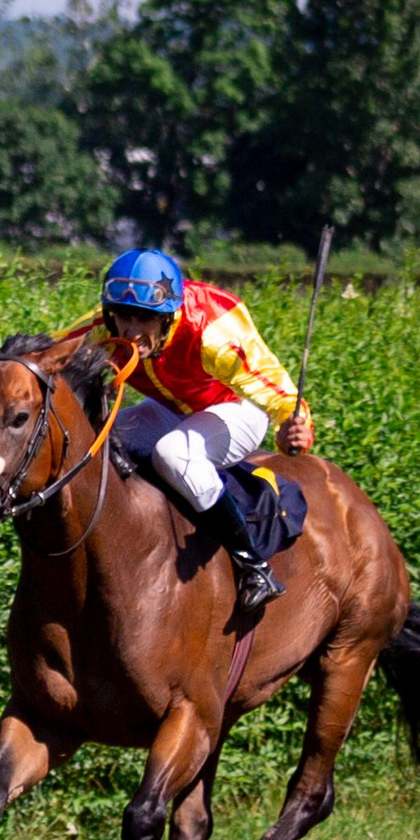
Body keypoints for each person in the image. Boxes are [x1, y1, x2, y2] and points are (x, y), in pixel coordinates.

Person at [93, 248, 315, 611]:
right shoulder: (105, 327)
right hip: (175, 409)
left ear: (168, 317)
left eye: (145, 318)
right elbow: (55, 353)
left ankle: (253, 564)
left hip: (238, 410)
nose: (131, 332)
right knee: (101, 433)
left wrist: (294, 422)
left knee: (173, 453)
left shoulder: (212, 333)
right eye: (123, 316)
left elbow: (272, 385)